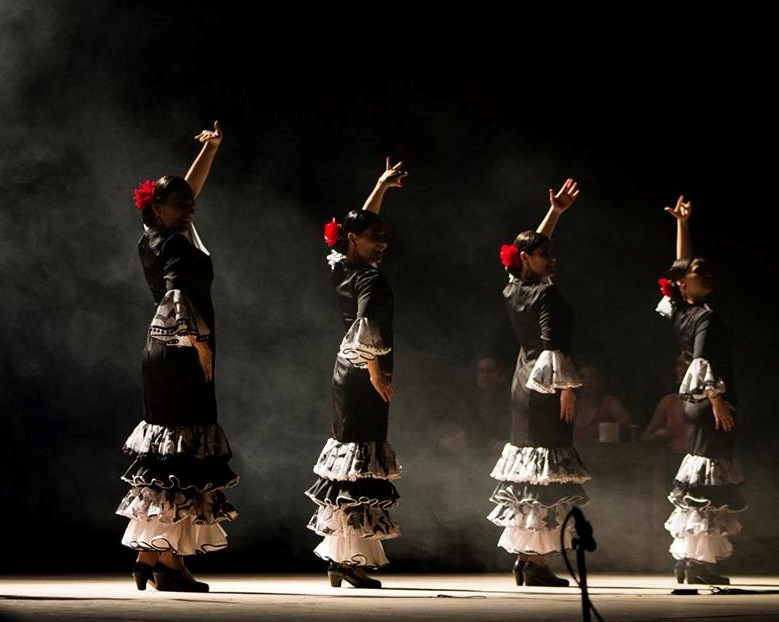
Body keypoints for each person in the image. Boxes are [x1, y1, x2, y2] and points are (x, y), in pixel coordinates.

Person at [116, 121, 239, 593]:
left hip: (164, 351)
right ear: (156, 208)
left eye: (190, 202)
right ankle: (167, 562)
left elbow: (188, 191)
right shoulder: (170, 244)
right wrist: (203, 347)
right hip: (180, 349)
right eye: (179, 203)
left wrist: (210, 151)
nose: (190, 206)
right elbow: (175, 298)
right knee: (183, 451)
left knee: (172, 449)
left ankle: (153, 553)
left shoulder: (161, 233)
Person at [304, 156, 408, 589]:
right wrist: (378, 374)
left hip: (346, 371)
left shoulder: (342, 266)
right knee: (359, 464)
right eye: (373, 238)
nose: (381, 243)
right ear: (353, 240)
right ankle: (348, 560)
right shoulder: (367, 280)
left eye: (383, 237)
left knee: (354, 462)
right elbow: (366, 329)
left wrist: (380, 185)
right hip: (362, 373)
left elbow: (356, 226)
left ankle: (341, 557)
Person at [487, 178, 590, 587]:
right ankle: (533, 559)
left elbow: (527, 248)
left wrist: (556, 214)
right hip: (544, 384)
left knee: (533, 472)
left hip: (524, 382)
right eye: (545, 255)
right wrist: (567, 388)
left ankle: (529, 557)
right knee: (544, 474)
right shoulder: (545, 296)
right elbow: (552, 343)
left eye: (553, 254)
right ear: (527, 259)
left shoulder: (514, 289)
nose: (553, 259)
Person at [655, 195, 745, 585]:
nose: (705, 273)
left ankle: (690, 558)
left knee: (700, 479)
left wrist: (682, 224)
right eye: (698, 272)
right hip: (709, 402)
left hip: (695, 401)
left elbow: (681, 266)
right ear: (682, 283)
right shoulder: (704, 317)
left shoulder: (680, 309)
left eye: (706, 271)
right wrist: (718, 401)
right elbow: (702, 361)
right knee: (710, 483)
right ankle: (700, 563)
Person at [641, 352, 689, 456]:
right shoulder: (669, 401)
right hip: (674, 460)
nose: (683, 369)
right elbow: (645, 436)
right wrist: (660, 437)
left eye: (688, 364)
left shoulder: (709, 402)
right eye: (680, 364)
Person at [573, 362, 633, 443]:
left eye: (593, 376)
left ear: (601, 380)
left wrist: (604, 430)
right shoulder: (573, 405)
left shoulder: (608, 403)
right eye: (583, 377)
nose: (588, 381)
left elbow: (626, 421)